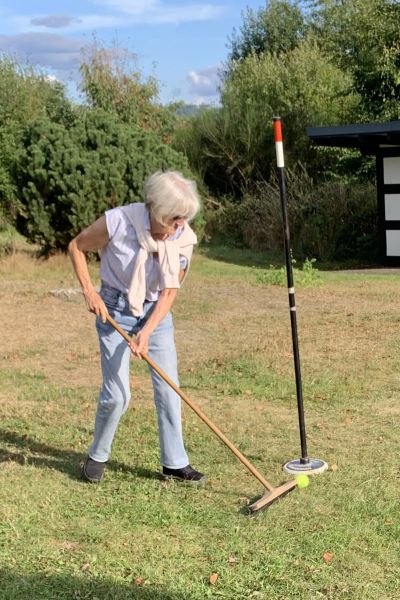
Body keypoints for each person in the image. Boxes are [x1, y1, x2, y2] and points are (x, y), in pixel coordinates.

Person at [68, 170, 205, 484]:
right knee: (118, 394)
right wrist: (90, 292)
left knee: (169, 387)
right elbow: (77, 246)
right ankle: (97, 455)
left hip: (155, 313)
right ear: (156, 210)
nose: (180, 225)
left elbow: (169, 292)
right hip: (114, 310)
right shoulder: (118, 222)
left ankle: (174, 463)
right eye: (174, 218)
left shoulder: (183, 238)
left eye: (184, 218)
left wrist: (146, 331)